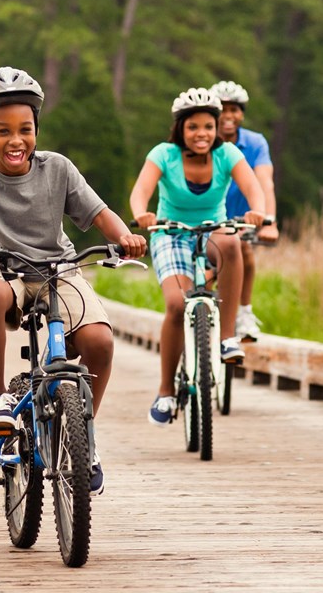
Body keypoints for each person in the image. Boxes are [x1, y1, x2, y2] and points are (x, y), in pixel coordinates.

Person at [0, 66, 147, 495]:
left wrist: (123, 237)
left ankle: (82, 437)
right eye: (3, 130)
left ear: (37, 129)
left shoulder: (59, 170)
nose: (16, 140)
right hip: (4, 268)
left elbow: (98, 214)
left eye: (25, 129)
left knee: (100, 344)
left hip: (59, 269)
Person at [129, 87, 266, 427]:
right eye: (193, 127)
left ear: (217, 128)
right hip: (170, 233)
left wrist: (258, 211)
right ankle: (164, 392)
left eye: (208, 126)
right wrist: (142, 214)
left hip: (213, 229)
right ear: (181, 129)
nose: (201, 134)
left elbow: (253, 187)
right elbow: (141, 191)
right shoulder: (164, 154)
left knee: (233, 243)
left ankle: (227, 337)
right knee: (177, 305)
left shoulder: (228, 154)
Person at [209, 80, 279, 342]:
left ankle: (243, 312)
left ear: (242, 113)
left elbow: (265, 182)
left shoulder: (255, 143)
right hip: (206, 221)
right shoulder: (203, 140)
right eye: (222, 109)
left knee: (244, 251)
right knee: (202, 282)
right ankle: (197, 344)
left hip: (241, 222)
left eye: (234, 109)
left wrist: (268, 222)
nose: (228, 116)